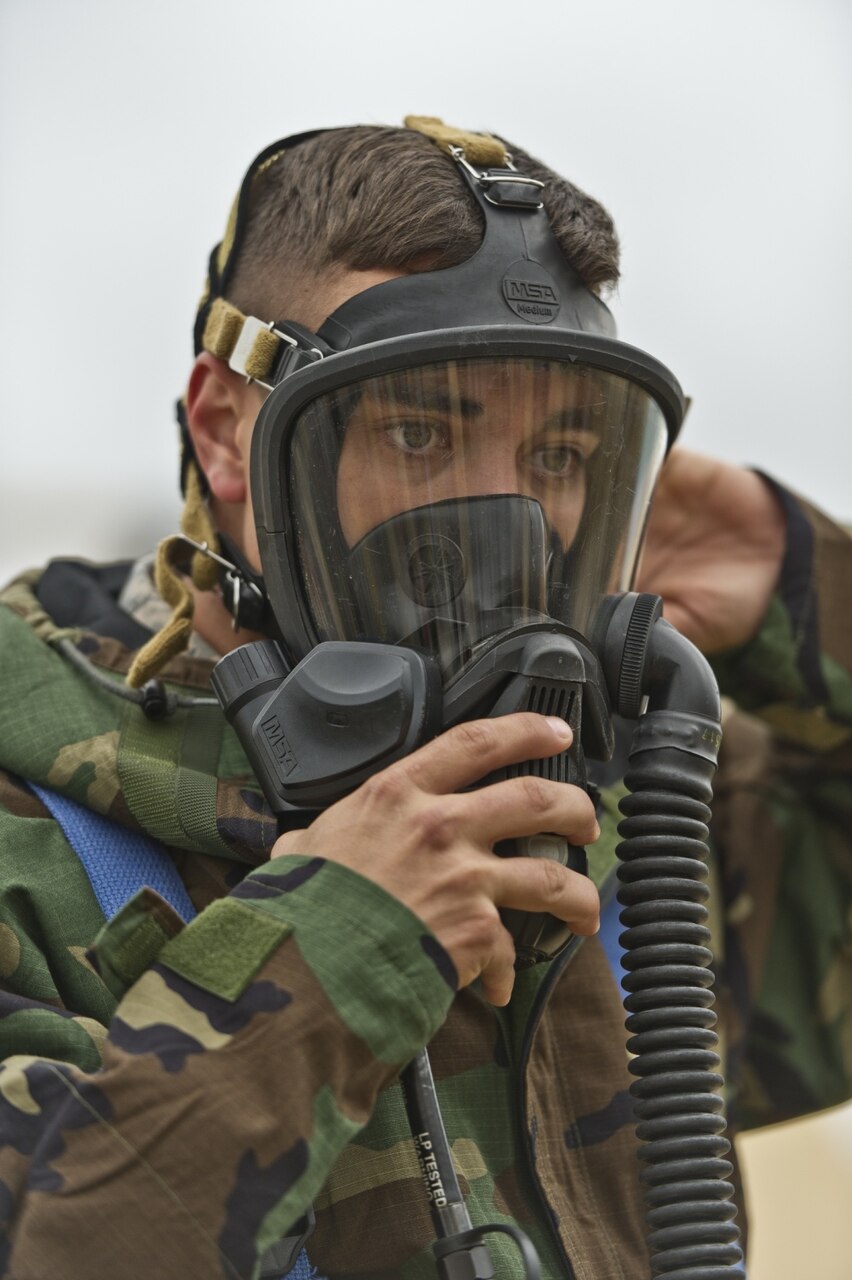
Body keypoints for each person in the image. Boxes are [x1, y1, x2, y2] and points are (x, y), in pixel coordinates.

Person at [0, 117, 849, 1280]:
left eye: (558, 456)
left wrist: (803, 583)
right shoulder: (34, 847)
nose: (505, 527)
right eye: (419, 432)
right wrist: (339, 948)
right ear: (225, 432)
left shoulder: (623, 818)